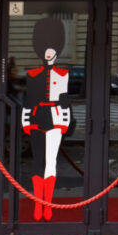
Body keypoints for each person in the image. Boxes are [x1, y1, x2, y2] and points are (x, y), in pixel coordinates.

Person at [21, 18, 71, 221]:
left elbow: (64, 101)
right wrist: (26, 122)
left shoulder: (62, 74)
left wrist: (64, 122)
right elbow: (28, 100)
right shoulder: (32, 74)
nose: (49, 51)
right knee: (38, 162)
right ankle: (37, 203)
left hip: (55, 119)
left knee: (51, 162)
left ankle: (47, 204)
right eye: (46, 47)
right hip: (36, 119)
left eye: (53, 47)